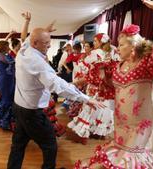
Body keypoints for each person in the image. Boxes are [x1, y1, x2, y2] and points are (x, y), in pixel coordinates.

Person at [74, 0, 153, 168]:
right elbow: (106, 85)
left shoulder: (146, 63)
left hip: (140, 122)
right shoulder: (117, 66)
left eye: (120, 45)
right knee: (118, 153)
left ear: (133, 45)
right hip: (120, 121)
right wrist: (96, 77)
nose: (117, 48)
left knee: (128, 157)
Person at [7, 12, 104, 169]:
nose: (50, 45)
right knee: (50, 143)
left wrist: (44, 30)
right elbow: (58, 85)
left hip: (19, 107)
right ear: (36, 43)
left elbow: (27, 37)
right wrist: (85, 98)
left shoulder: (25, 49)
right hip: (31, 113)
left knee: (18, 145)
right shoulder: (38, 63)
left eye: (49, 42)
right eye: (46, 43)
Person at [0, 40, 16, 130]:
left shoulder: (4, 55)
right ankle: (4, 121)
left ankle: (6, 120)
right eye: (7, 46)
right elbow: (12, 62)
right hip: (5, 80)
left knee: (10, 98)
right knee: (6, 100)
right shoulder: (1, 56)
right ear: (3, 47)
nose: (9, 47)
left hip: (10, 79)